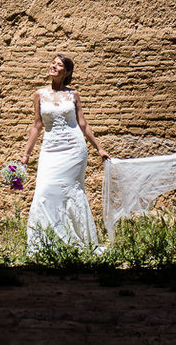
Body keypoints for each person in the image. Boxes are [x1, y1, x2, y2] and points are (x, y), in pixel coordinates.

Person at [20, 53, 109, 255]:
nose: (53, 66)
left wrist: (99, 148)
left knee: (71, 191)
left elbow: (83, 124)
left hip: (74, 149)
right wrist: (26, 155)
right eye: (53, 62)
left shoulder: (74, 95)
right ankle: (43, 243)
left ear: (67, 72)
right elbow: (37, 126)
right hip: (51, 149)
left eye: (59, 64)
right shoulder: (39, 95)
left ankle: (77, 240)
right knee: (44, 190)